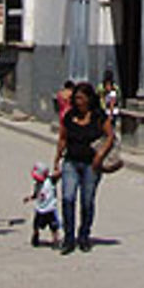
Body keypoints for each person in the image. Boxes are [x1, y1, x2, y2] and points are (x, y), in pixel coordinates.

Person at [52, 80, 114, 253]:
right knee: (68, 198)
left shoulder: (98, 116)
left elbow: (110, 136)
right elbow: (63, 138)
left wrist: (100, 155)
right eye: (76, 98)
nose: (77, 101)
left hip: (91, 165)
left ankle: (84, 235)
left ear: (88, 99)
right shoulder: (69, 116)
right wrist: (57, 160)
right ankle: (69, 238)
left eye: (80, 98)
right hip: (71, 162)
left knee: (87, 201)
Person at [23, 161, 61, 249]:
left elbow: (57, 176)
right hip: (40, 208)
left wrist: (59, 169)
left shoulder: (50, 181)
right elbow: (36, 194)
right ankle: (35, 235)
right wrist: (29, 198)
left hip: (50, 208)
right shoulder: (37, 185)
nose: (36, 180)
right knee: (36, 224)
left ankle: (55, 240)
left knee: (53, 226)